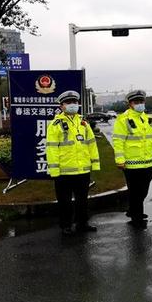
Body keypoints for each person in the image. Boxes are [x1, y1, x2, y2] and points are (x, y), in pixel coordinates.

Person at [46, 90, 100, 235]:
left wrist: (94, 164)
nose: (72, 105)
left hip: (82, 170)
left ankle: (82, 224)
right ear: (62, 106)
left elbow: (91, 144)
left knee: (82, 200)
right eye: (68, 103)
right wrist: (55, 171)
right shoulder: (55, 124)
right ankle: (66, 225)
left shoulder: (83, 122)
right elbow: (51, 148)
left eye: (74, 102)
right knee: (65, 201)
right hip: (64, 171)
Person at [113, 90, 152, 228]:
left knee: (144, 191)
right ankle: (137, 217)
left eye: (141, 102)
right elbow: (118, 141)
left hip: (147, 162)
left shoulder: (148, 119)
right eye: (136, 102)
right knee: (135, 192)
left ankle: (133, 209)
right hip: (131, 164)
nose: (140, 104)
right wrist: (120, 159)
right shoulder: (123, 119)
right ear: (130, 104)